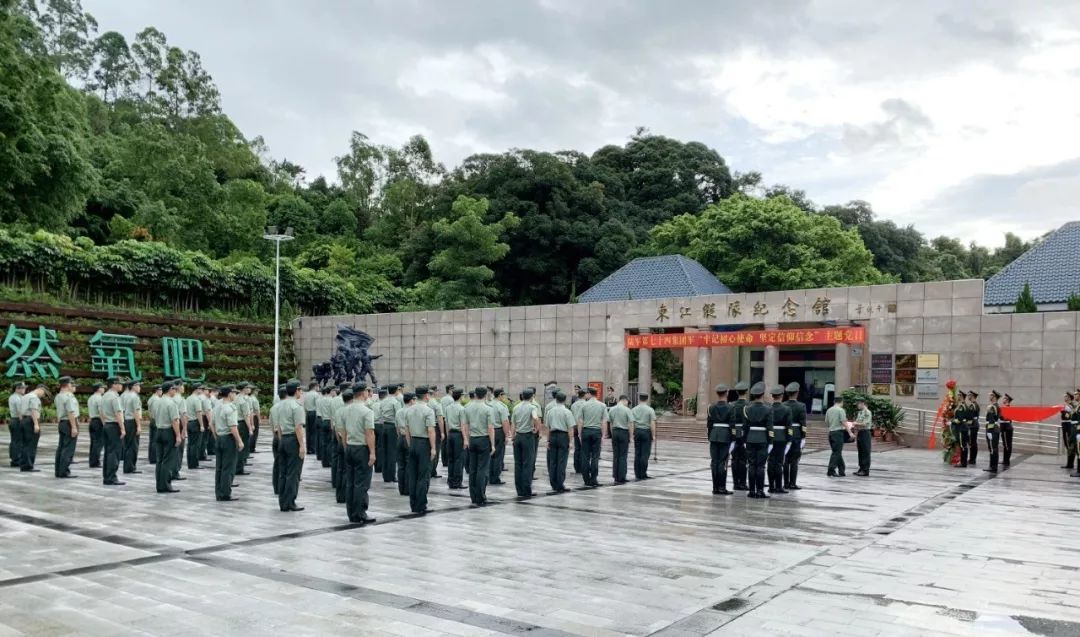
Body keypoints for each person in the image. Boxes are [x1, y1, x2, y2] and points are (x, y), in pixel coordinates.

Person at [341, 383, 376, 524]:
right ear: (363, 393)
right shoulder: (367, 411)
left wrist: (346, 446)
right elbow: (370, 433)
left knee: (350, 482)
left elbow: (342, 431)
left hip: (349, 447)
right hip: (362, 449)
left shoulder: (345, 410)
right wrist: (372, 452)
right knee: (361, 483)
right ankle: (360, 513)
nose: (369, 393)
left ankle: (352, 513)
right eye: (367, 391)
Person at [404, 387, 436, 514]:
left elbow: (406, 430)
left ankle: (413, 505)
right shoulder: (428, 411)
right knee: (423, 476)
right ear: (426, 396)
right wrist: (433, 448)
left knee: (413, 475)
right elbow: (430, 430)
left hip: (413, 442)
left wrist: (410, 444)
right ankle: (421, 505)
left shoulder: (409, 410)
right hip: (424, 443)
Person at [464, 386, 496, 506]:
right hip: (483, 440)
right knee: (482, 469)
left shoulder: (468, 408)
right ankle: (480, 496)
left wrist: (466, 440)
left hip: (472, 439)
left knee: (473, 469)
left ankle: (473, 496)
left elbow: (465, 426)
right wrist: (492, 444)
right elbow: (490, 428)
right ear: (486, 395)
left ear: (476, 394)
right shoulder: (488, 409)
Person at [278, 380, 306, 511]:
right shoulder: (297, 406)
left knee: (283, 472)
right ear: (296, 391)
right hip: (293, 440)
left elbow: (278, 426)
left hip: (283, 439)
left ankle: (283, 502)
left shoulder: (281, 405)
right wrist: (302, 445)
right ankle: (290, 502)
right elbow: (298, 427)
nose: (301, 392)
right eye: (300, 390)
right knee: (293, 473)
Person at [742, 382, 773, 498]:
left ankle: (751, 491)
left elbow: (745, 427)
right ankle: (760, 491)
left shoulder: (747, 409)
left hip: (750, 438)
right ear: (763, 394)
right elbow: (770, 427)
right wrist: (771, 441)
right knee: (760, 466)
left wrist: (745, 440)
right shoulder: (768, 409)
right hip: (763, 439)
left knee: (751, 465)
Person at [212, 385, 242, 501]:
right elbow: (233, 427)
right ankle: (225, 493)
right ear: (229, 394)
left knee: (219, 467)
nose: (235, 395)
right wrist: (239, 441)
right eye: (234, 393)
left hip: (220, 438)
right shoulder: (231, 408)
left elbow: (212, 424)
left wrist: (217, 436)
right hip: (228, 439)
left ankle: (219, 493)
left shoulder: (217, 407)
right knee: (228, 468)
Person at [152, 381, 182, 494]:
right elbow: (175, 420)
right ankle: (165, 485)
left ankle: (159, 485)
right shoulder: (171, 403)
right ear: (169, 390)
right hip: (168, 432)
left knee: (159, 460)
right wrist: (178, 435)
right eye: (174, 389)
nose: (175, 391)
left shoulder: (157, 402)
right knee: (168, 460)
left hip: (159, 431)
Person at [543, 391, 574, 493]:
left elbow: (547, 427)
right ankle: (560, 484)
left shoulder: (550, 411)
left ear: (556, 399)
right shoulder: (567, 412)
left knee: (553, 461)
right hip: (563, 436)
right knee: (561, 461)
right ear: (565, 400)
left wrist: (547, 440)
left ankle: (553, 483)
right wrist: (570, 442)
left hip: (553, 436)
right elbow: (570, 428)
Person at [512, 389, 541, 497]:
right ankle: (526, 489)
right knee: (527, 464)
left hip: (518, 436)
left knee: (518, 463)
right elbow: (535, 417)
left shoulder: (516, 407)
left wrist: (513, 435)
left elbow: (513, 423)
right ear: (532, 396)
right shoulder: (532, 407)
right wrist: (537, 429)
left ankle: (519, 490)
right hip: (527, 437)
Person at [577, 387, 607, 487]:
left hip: (586, 431)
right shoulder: (602, 405)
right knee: (595, 456)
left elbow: (580, 420)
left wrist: (579, 434)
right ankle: (594, 478)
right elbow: (604, 421)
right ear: (596, 394)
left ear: (589, 394)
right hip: (596, 431)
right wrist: (603, 435)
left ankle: (586, 479)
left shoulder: (584, 405)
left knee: (585, 456)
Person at [707, 384, 733, 495]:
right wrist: (733, 438)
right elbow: (732, 425)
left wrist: (710, 436)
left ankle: (715, 488)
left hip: (714, 436)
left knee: (714, 462)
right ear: (727, 393)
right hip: (725, 436)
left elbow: (709, 424)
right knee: (722, 463)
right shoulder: (731, 407)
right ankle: (721, 488)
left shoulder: (711, 407)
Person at [101, 377, 125, 485]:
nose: (121, 385)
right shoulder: (115, 397)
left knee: (108, 452)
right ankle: (112, 477)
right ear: (114, 384)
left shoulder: (105, 396)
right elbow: (118, 413)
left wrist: (105, 423)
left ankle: (106, 476)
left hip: (107, 425)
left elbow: (101, 411)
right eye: (120, 383)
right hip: (114, 425)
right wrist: (122, 428)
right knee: (114, 453)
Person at [53, 377, 79, 478]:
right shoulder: (69, 396)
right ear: (68, 385)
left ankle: (58, 471)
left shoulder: (58, 396)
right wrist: (74, 427)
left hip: (62, 423)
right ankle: (64, 471)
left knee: (61, 448)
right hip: (69, 423)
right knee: (68, 449)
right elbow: (70, 412)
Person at [766, 385, 790, 493]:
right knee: (779, 463)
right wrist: (789, 439)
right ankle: (779, 486)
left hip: (769, 437)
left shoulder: (768, 408)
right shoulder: (786, 409)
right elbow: (789, 426)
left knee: (771, 462)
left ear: (773, 396)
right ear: (781, 396)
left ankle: (771, 486)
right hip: (781, 437)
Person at [16, 384, 46, 472]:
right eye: (43, 393)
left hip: (24, 420)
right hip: (30, 421)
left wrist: (22, 420)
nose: (43, 395)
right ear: (40, 390)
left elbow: (20, 411)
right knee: (31, 444)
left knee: (25, 443)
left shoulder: (25, 396)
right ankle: (28, 466)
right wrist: (36, 424)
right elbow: (34, 411)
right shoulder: (34, 397)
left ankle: (24, 464)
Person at [783, 382, 807, 490]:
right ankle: (792, 483)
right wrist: (803, 436)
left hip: (785, 433)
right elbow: (803, 423)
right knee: (794, 461)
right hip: (796, 434)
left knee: (786, 460)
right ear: (797, 393)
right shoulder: (801, 406)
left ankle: (786, 483)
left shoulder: (783, 405)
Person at [378, 385, 401, 483]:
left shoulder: (383, 401)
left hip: (384, 426)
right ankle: (391, 476)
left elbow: (380, 415)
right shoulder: (396, 402)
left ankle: (385, 475)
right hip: (392, 427)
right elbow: (398, 417)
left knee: (385, 451)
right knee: (392, 452)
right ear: (396, 391)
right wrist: (399, 431)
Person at [630, 393, 656, 480]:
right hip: (646, 432)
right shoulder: (650, 410)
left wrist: (632, 433)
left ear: (639, 399)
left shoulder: (633, 409)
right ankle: (643, 473)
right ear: (647, 399)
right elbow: (652, 423)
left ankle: (637, 474)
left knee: (637, 453)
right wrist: (653, 435)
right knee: (645, 454)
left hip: (637, 432)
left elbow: (632, 423)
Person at [607, 395, 632, 484]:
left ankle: (615, 475)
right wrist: (631, 436)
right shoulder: (627, 410)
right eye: (627, 402)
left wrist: (612, 433)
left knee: (616, 455)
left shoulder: (612, 409)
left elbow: (610, 423)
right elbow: (630, 424)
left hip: (615, 432)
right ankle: (621, 476)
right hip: (623, 432)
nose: (627, 404)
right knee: (623, 455)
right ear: (624, 400)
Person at [444, 389, 466, 489]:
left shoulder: (448, 408)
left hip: (450, 434)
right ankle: (457, 482)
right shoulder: (461, 409)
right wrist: (465, 439)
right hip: (458, 435)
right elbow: (462, 425)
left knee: (451, 459)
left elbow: (447, 423)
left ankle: (450, 481)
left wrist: (448, 435)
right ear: (460, 396)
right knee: (458, 459)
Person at [120, 380, 143, 475]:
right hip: (132, 421)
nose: (139, 387)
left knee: (128, 445)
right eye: (138, 386)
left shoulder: (125, 396)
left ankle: (128, 466)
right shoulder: (134, 397)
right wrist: (138, 426)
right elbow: (136, 412)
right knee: (133, 446)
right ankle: (130, 467)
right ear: (133, 386)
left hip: (126, 421)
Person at [731, 381, 750, 490]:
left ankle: (735, 483)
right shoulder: (749, 405)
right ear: (746, 392)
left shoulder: (732, 405)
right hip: (745, 434)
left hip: (734, 434)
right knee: (743, 460)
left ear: (737, 392)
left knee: (734, 459)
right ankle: (742, 483)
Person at [489, 388, 510, 485]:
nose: (504, 397)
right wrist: (506, 435)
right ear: (500, 395)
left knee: (490, 454)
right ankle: (495, 478)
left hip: (488, 431)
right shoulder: (502, 406)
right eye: (504, 395)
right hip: (498, 432)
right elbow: (505, 422)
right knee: (498, 456)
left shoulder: (488, 404)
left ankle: (488, 475)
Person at [826, 395, 850, 477]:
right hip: (838, 433)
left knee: (836, 452)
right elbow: (844, 422)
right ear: (841, 402)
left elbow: (827, 422)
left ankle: (842, 470)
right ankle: (831, 470)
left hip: (831, 433)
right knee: (836, 452)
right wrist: (850, 432)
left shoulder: (829, 410)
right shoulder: (841, 410)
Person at [269, 384, 285, 494]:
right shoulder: (287, 407)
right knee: (285, 465)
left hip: (275, 437)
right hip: (284, 437)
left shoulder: (273, 408)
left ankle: (276, 487)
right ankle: (282, 487)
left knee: (277, 464)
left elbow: (271, 423)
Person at [185, 384, 205, 470]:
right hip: (195, 422)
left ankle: (190, 463)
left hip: (189, 422)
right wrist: (201, 425)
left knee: (190, 444)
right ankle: (194, 464)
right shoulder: (197, 399)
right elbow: (198, 413)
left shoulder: (188, 398)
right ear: (196, 389)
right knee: (196, 445)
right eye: (201, 388)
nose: (201, 390)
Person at [7, 381, 26, 468]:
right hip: (17, 420)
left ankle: (14, 458)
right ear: (17, 389)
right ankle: (17, 460)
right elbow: (20, 412)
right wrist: (23, 423)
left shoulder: (13, 397)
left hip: (13, 420)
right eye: (23, 388)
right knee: (18, 441)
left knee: (14, 441)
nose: (24, 389)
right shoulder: (18, 398)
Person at [853, 398, 873, 476]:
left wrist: (855, 423)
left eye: (858, 404)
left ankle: (865, 470)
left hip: (865, 432)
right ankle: (861, 468)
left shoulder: (867, 412)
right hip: (860, 433)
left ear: (862, 404)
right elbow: (858, 423)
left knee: (865, 451)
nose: (857, 406)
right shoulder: (860, 413)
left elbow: (865, 423)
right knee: (860, 451)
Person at [429, 385, 446, 478]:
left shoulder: (425, 402)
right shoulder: (436, 404)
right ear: (434, 392)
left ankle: (428, 469)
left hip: (426, 428)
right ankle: (432, 471)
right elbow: (440, 419)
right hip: (435, 428)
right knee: (435, 449)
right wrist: (442, 432)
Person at [86, 382, 104, 468]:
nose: (104, 389)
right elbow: (101, 412)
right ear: (98, 388)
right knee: (98, 443)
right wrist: (104, 423)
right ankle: (96, 462)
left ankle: (92, 461)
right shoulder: (100, 398)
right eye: (102, 387)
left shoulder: (90, 398)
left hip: (92, 420)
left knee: (93, 443)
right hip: (98, 421)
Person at [983, 390, 1002, 473]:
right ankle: (993, 466)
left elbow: (991, 420)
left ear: (994, 397)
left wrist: (989, 431)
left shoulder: (993, 407)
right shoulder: (995, 406)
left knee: (992, 448)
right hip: (994, 429)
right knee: (993, 448)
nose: (989, 396)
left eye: (991, 395)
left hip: (992, 429)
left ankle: (993, 467)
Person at [952, 391, 970, 467]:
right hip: (964, 427)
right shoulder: (963, 405)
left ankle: (963, 462)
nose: (957, 397)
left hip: (961, 428)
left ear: (961, 396)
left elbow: (959, 419)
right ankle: (963, 462)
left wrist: (952, 422)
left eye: (959, 395)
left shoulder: (962, 406)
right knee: (963, 445)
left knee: (962, 445)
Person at [570, 388, 586, 473]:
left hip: (575, 427)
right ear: (584, 395)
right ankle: (583, 466)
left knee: (577, 448)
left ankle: (577, 467)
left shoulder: (573, 405)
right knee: (584, 448)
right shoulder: (586, 404)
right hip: (584, 427)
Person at [146, 384, 161, 465]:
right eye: (160, 390)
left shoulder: (151, 398)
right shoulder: (156, 399)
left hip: (152, 420)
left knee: (152, 440)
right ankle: (154, 458)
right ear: (157, 390)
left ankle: (151, 457)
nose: (161, 392)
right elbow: (156, 412)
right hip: (155, 420)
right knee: (155, 440)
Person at [303, 382, 319, 455]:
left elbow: (304, 405)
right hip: (314, 413)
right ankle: (313, 449)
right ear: (315, 386)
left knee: (308, 432)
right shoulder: (316, 394)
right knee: (313, 432)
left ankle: (308, 448)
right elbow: (317, 405)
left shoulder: (306, 394)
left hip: (307, 413)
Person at [1061, 392, 1075, 470]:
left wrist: (1067, 412)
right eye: (1064, 396)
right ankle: (1069, 463)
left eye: (1066, 396)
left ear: (1069, 397)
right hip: (1064, 424)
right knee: (1066, 442)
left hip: (1069, 424)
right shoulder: (1063, 404)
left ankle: (1070, 463)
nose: (1064, 397)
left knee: (1070, 444)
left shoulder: (1072, 405)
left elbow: (1072, 413)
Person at [967, 390, 981, 467]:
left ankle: (972, 459)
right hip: (973, 425)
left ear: (972, 396)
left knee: (973, 443)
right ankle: (972, 459)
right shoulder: (973, 404)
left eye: (969, 395)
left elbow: (971, 417)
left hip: (973, 425)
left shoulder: (973, 405)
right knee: (972, 443)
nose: (968, 396)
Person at [1000, 393, 1014, 468]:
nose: (1003, 399)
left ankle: (1006, 460)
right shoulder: (1005, 407)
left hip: (1006, 428)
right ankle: (1005, 460)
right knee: (1006, 444)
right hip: (1005, 427)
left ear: (1007, 400)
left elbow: (1004, 418)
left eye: (1004, 398)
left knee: (1007, 445)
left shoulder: (1007, 408)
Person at [249, 386, 262, 454]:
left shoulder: (248, 398)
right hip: (254, 417)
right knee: (254, 434)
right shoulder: (254, 399)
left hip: (249, 417)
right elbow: (257, 410)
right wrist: (259, 419)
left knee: (250, 433)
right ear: (254, 391)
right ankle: (252, 448)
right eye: (256, 391)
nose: (257, 393)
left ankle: (249, 447)